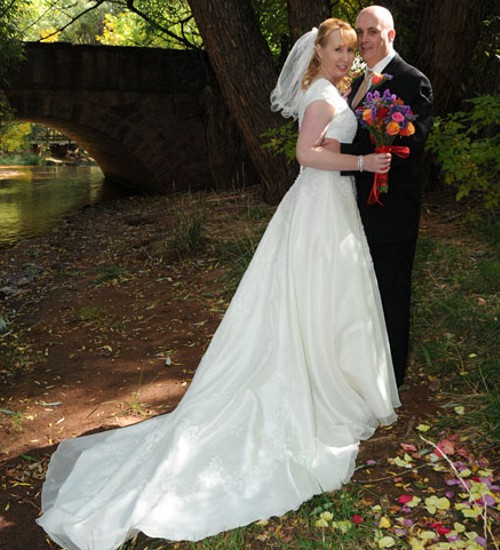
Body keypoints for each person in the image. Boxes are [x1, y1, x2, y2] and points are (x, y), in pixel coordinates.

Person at [36, 18, 400, 550]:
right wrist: (365, 160)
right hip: (321, 207)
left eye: (350, 49)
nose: (346, 57)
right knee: (319, 296)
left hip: (327, 208)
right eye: (338, 49)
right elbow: (305, 154)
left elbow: (329, 132)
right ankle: (323, 380)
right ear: (317, 53)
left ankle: (334, 373)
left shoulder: (332, 89)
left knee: (328, 298)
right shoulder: (322, 93)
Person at [338, 5, 433, 387]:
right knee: (359, 291)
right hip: (350, 205)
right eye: (359, 32)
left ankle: (391, 378)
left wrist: (348, 158)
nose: (363, 40)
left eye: (372, 31)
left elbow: (411, 145)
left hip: (390, 208)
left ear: (390, 35)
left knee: (391, 292)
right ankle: (362, 369)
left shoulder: (413, 80)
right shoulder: (359, 81)